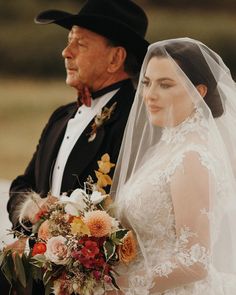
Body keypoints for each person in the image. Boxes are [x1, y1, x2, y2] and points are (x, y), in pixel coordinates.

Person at [2, 0, 149, 293]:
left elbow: (131, 213)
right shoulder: (62, 116)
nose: (66, 52)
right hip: (35, 277)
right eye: (68, 42)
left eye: (79, 44)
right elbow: (23, 183)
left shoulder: (136, 121)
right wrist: (32, 211)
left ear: (115, 58)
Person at [109, 38, 236, 294]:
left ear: (198, 91)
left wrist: (117, 287)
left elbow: (195, 262)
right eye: (146, 83)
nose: (150, 95)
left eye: (165, 85)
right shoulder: (167, 148)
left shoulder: (191, 157)